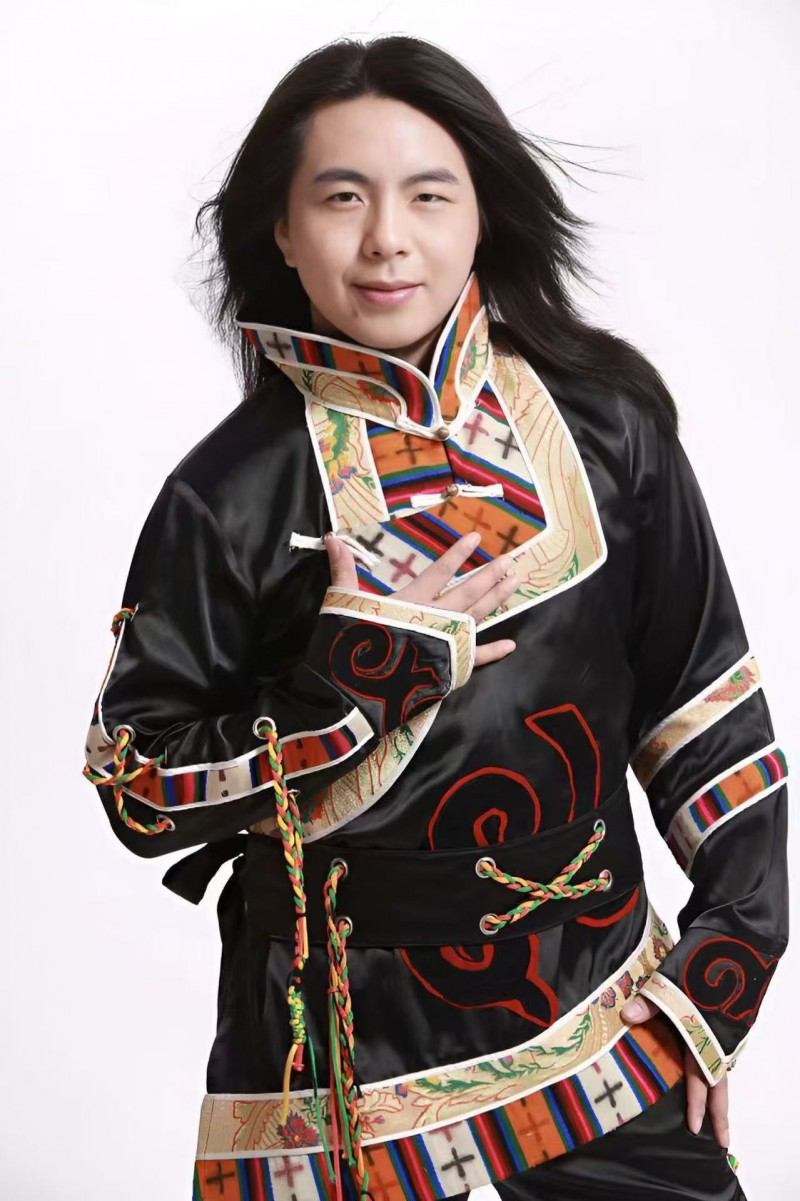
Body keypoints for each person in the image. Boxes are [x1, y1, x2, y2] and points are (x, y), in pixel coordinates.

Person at [82, 34, 789, 1201]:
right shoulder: (226, 494)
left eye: (426, 194)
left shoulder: (606, 423)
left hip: (606, 1015)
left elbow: (703, 709)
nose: (385, 240)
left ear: (481, 212)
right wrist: (353, 685)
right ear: (280, 229)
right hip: (329, 1064)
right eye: (340, 198)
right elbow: (137, 789)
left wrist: (725, 965)